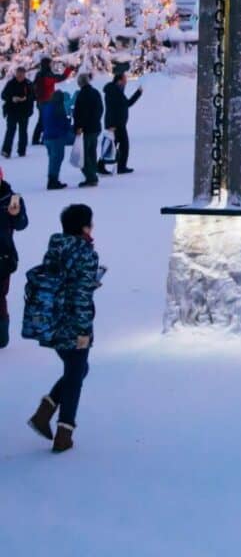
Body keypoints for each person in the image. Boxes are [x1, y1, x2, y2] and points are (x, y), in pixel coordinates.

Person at [22, 202, 101, 454]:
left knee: (77, 369)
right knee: (76, 374)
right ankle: (63, 433)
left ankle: (45, 411)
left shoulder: (55, 247)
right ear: (83, 227)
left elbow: (64, 280)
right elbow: (79, 294)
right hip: (73, 324)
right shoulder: (86, 254)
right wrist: (82, 331)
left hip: (52, 322)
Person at [0, 166, 29, 348]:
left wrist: (16, 215)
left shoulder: (11, 199)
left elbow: (22, 224)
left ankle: (2, 336)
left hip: (3, 256)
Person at [103, 65, 142, 175]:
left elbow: (126, 104)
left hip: (117, 123)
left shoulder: (116, 91)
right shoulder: (114, 92)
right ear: (119, 80)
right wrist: (138, 93)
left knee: (113, 145)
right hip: (116, 124)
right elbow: (124, 104)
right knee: (122, 145)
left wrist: (138, 93)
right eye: (125, 79)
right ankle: (120, 167)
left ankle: (103, 165)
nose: (126, 81)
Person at [72, 71, 106, 188]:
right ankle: (92, 173)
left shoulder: (82, 95)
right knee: (92, 152)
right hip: (96, 127)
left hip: (85, 129)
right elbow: (101, 109)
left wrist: (78, 127)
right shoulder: (95, 92)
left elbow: (78, 113)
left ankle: (91, 177)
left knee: (83, 154)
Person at [40, 87, 73, 191]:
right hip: (57, 138)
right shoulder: (58, 107)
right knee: (57, 159)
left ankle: (52, 179)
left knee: (52, 159)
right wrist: (70, 126)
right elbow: (63, 123)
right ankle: (53, 181)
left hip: (47, 137)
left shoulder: (47, 107)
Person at [3, 65, 34, 158]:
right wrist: (12, 98)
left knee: (23, 132)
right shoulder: (11, 83)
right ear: (16, 74)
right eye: (18, 74)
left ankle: (22, 151)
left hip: (24, 111)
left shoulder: (28, 83)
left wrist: (26, 98)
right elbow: (3, 95)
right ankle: (6, 150)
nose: (20, 76)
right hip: (12, 110)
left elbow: (33, 96)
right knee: (10, 131)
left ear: (25, 74)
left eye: (22, 74)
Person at [30, 60, 58, 147]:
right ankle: (42, 139)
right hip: (46, 100)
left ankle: (37, 138)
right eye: (50, 63)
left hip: (40, 101)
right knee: (45, 120)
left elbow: (33, 85)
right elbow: (60, 78)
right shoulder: (48, 74)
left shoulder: (39, 74)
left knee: (42, 120)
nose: (51, 65)